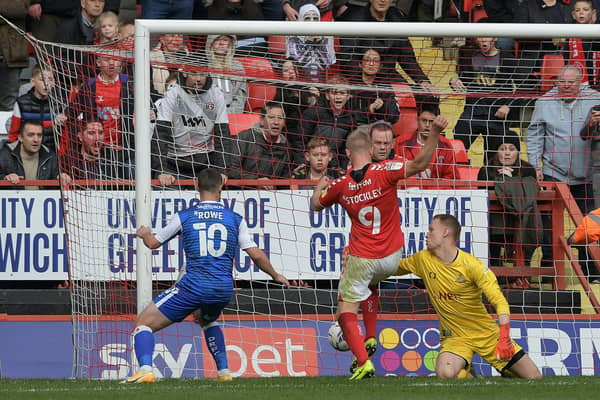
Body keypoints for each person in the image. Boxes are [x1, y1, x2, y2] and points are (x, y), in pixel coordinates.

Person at [124, 168, 295, 383]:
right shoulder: (235, 218)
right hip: (223, 290)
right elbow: (255, 254)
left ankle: (146, 370)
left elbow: (152, 243)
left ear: (197, 187)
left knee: (143, 324)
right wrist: (275, 275)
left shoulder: (185, 216)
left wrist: (144, 233)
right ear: (221, 187)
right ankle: (224, 372)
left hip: (193, 287)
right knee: (205, 319)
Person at [311, 116, 447, 380]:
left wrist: (319, 188)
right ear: (370, 150)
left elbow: (316, 205)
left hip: (363, 258)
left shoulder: (341, 185)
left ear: (348, 153)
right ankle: (371, 337)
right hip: (392, 258)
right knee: (369, 282)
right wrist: (436, 133)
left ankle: (363, 361)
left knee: (345, 311)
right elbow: (420, 163)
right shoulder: (387, 170)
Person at [395, 214, 542, 379]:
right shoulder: (422, 259)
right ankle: (466, 371)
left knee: (533, 376)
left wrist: (504, 337)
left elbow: (499, 302)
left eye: (431, 230)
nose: (427, 234)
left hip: (486, 333)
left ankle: (501, 371)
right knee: (445, 373)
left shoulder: (472, 265)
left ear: (445, 232)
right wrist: (366, 269)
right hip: (455, 338)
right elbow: (393, 268)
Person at [527, 64, 600, 283]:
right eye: (562, 81)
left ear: (580, 82)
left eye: (571, 82)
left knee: (590, 225)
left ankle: (592, 271)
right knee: (550, 224)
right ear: (555, 82)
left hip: (587, 175)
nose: (566, 86)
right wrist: (535, 166)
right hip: (553, 173)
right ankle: (550, 270)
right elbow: (535, 135)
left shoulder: (595, 99)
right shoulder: (543, 102)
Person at [477, 136, 543, 288]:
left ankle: (523, 272)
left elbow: (530, 192)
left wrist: (508, 180)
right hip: (494, 222)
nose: (507, 153)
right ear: (496, 152)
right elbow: (482, 192)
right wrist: (502, 178)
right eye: (503, 149)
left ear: (518, 152)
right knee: (489, 231)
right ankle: (493, 271)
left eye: (511, 149)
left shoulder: (527, 169)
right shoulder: (486, 170)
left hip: (522, 219)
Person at [152, 64, 232, 186]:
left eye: (202, 74)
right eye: (194, 73)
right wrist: (161, 170)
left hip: (206, 165)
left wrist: (221, 170)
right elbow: (161, 134)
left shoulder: (216, 94)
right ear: (185, 73)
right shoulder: (173, 93)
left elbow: (223, 134)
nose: (199, 78)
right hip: (173, 165)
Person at [450, 35, 521, 161]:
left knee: (494, 159)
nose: (483, 40)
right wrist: (453, 81)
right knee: (455, 149)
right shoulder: (468, 57)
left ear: (494, 38)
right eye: (480, 37)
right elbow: (462, 79)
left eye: (486, 37)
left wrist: (508, 106)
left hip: (496, 115)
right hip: (473, 112)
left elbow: (522, 87)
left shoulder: (508, 59)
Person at [229, 101, 292, 189]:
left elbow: (284, 180)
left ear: (284, 122)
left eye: (280, 118)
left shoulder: (286, 146)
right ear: (262, 120)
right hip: (242, 192)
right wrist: (256, 181)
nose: (276, 122)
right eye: (271, 117)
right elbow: (232, 170)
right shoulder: (244, 138)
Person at [300, 75, 357, 170]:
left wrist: (342, 167)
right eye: (334, 93)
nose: (338, 96)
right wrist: (301, 162)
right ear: (327, 95)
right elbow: (300, 140)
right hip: (310, 164)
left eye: (342, 93)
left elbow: (345, 149)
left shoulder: (350, 120)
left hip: (334, 167)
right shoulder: (313, 112)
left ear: (348, 97)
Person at [8, 64, 66, 153]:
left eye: (50, 80)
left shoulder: (59, 105)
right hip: (27, 154)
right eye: (42, 80)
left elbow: (64, 136)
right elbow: (13, 134)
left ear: (54, 83)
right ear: (32, 82)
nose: (47, 84)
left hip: (51, 154)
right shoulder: (21, 103)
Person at [394, 101, 459, 180]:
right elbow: (395, 173)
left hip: (437, 190)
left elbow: (451, 177)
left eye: (431, 122)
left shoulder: (445, 145)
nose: (427, 125)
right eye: (424, 120)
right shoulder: (401, 142)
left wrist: (433, 188)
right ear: (417, 120)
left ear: (436, 122)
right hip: (409, 189)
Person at [0, 120, 70, 190]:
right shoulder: (4, 155)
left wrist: (61, 177)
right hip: (15, 199)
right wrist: (5, 178)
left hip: (42, 199)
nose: (36, 140)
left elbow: (56, 176)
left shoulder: (50, 156)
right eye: (31, 135)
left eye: (39, 135)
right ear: (20, 137)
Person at [285, 4, 336, 82]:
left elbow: (327, 63)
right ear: (301, 19)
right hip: (300, 84)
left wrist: (320, 44)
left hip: (321, 82)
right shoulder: (293, 38)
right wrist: (308, 42)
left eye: (315, 18)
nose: (312, 21)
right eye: (307, 18)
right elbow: (297, 62)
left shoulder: (325, 37)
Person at [350, 48, 399, 126]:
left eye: (376, 61)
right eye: (367, 60)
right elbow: (347, 116)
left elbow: (394, 116)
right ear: (360, 64)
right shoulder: (351, 85)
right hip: (357, 130)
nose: (371, 64)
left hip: (381, 129)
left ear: (381, 66)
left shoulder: (385, 86)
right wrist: (369, 110)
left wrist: (382, 107)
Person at [205, 34, 248, 114]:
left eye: (225, 40)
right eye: (217, 40)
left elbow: (240, 97)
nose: (221, 43)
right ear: (210, 43)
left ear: (230, 44)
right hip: (208, 113)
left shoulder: (238, 67)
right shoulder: (203, 65)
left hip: (234, 115)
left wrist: (229, 113)